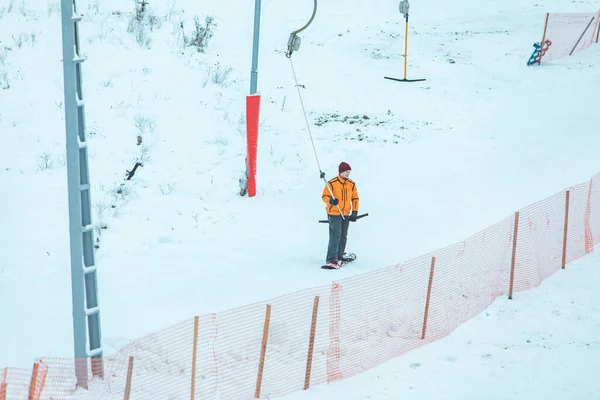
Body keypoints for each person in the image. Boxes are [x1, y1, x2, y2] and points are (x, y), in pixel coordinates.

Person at [321, 162, 360, 265]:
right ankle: (331, 257)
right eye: (346, 172)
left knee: (343, 235)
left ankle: (340, 255)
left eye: (349, 172)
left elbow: (355, 198)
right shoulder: (332, 183)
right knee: (336, 235)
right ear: (341, 172)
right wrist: (331, 201)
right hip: (334, 213)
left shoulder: (351, 184)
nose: (348, 174)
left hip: (346, 213)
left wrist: (355, 212)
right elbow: (324, 196)